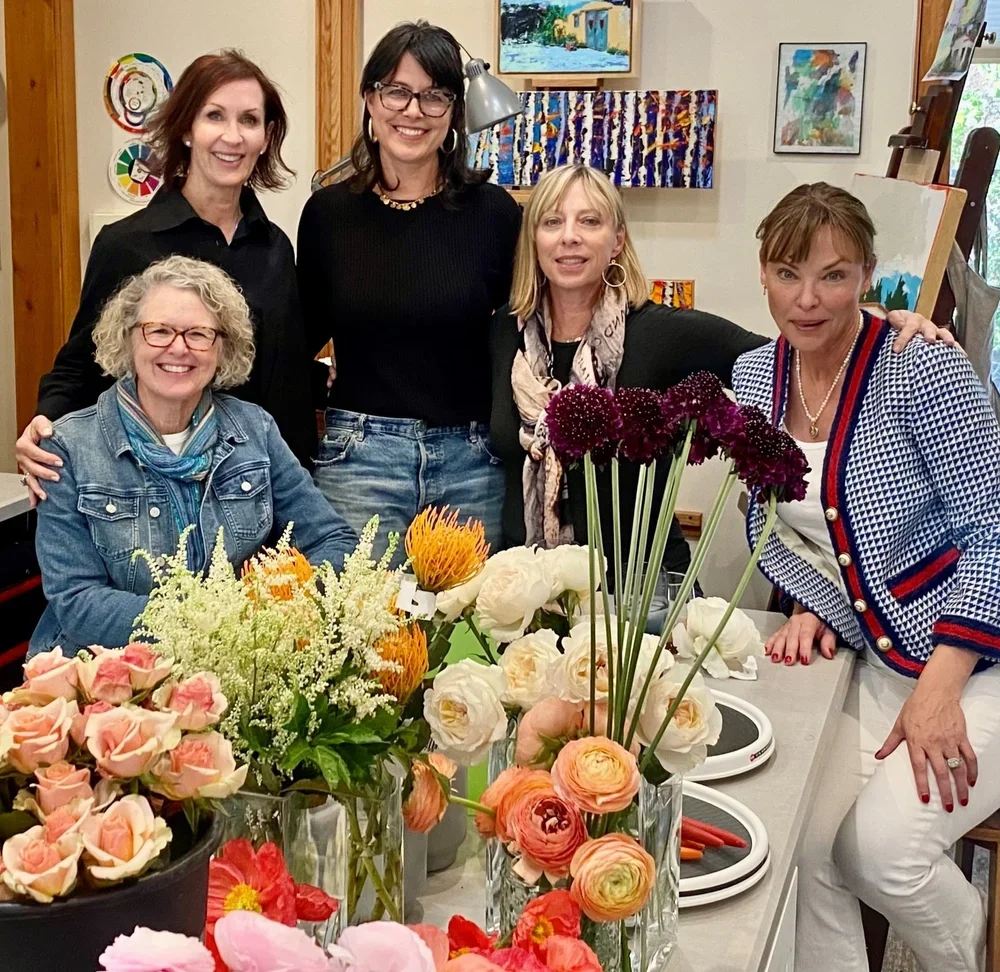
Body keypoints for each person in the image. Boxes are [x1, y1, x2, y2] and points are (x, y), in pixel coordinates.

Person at [732, 182, 1000, 972]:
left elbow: (993, 531)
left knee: (879, 853)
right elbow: (767, 523)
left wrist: (941, 687)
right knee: (799, 844)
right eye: (788, 274)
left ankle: (964, 945)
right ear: (763, 273)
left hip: (976, 658)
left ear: (869, 274)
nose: (808, 299)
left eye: (835, 276)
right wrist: (817, 602)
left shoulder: (921, 370)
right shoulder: (754, 377)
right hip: (877, 654)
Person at [489, 165, 946, 619]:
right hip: (529, 594)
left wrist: (873, 321)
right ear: (535, 238)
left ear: (618, 241)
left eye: (590, 221)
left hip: (639, 605)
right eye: (553, 221)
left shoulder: (662, 333)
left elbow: (799, 359)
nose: (570, 236)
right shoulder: (504, 336)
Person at [16, 49, 316, 503]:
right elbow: (81, 365)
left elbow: (281, 370)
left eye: (249, 120)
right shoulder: (127, 244)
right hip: (153, 491)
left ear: (266, 136)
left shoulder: (275, 246)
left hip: (259, 487)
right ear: (187, 129)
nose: (232, 136)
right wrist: (45, 421)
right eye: (214, 115)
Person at [30, 256, 356, 659]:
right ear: (127, 339)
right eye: (159, 331)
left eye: (199, 334)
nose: (178, 348)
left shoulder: (255, 429)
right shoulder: (67, 447)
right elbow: (78, 601)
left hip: (243, 667)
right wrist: (216, 623)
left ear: (223, 348)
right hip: (105, 674)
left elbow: (333, 540)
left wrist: (278, 605)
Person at [297, 21, 522, 558]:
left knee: (471, 635)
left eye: (433, 96)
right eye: (396, 91)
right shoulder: (329, 215)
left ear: (455, 112)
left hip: (471, 463)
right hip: (359, 461)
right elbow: (299, 333)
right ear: (370, 100)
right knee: (355, 631)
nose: (413, 111)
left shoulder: (493, 215)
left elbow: (523, 334)